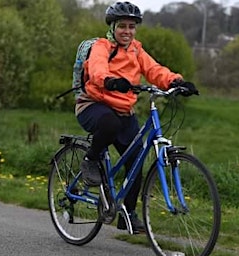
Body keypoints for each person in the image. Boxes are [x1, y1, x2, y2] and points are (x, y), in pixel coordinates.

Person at [75, 1, 198, 233]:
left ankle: (127, 214)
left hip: (124, 110)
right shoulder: (102, 47)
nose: (127, 31)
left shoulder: (136, 50)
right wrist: (109, 80)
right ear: (112, 27)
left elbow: (154, 70)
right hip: (93, 105)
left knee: (136, 162)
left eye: (132, 27)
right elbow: (97, 69)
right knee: (109, 124)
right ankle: (90, 161)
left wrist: (176, 82)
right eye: (122, 26)